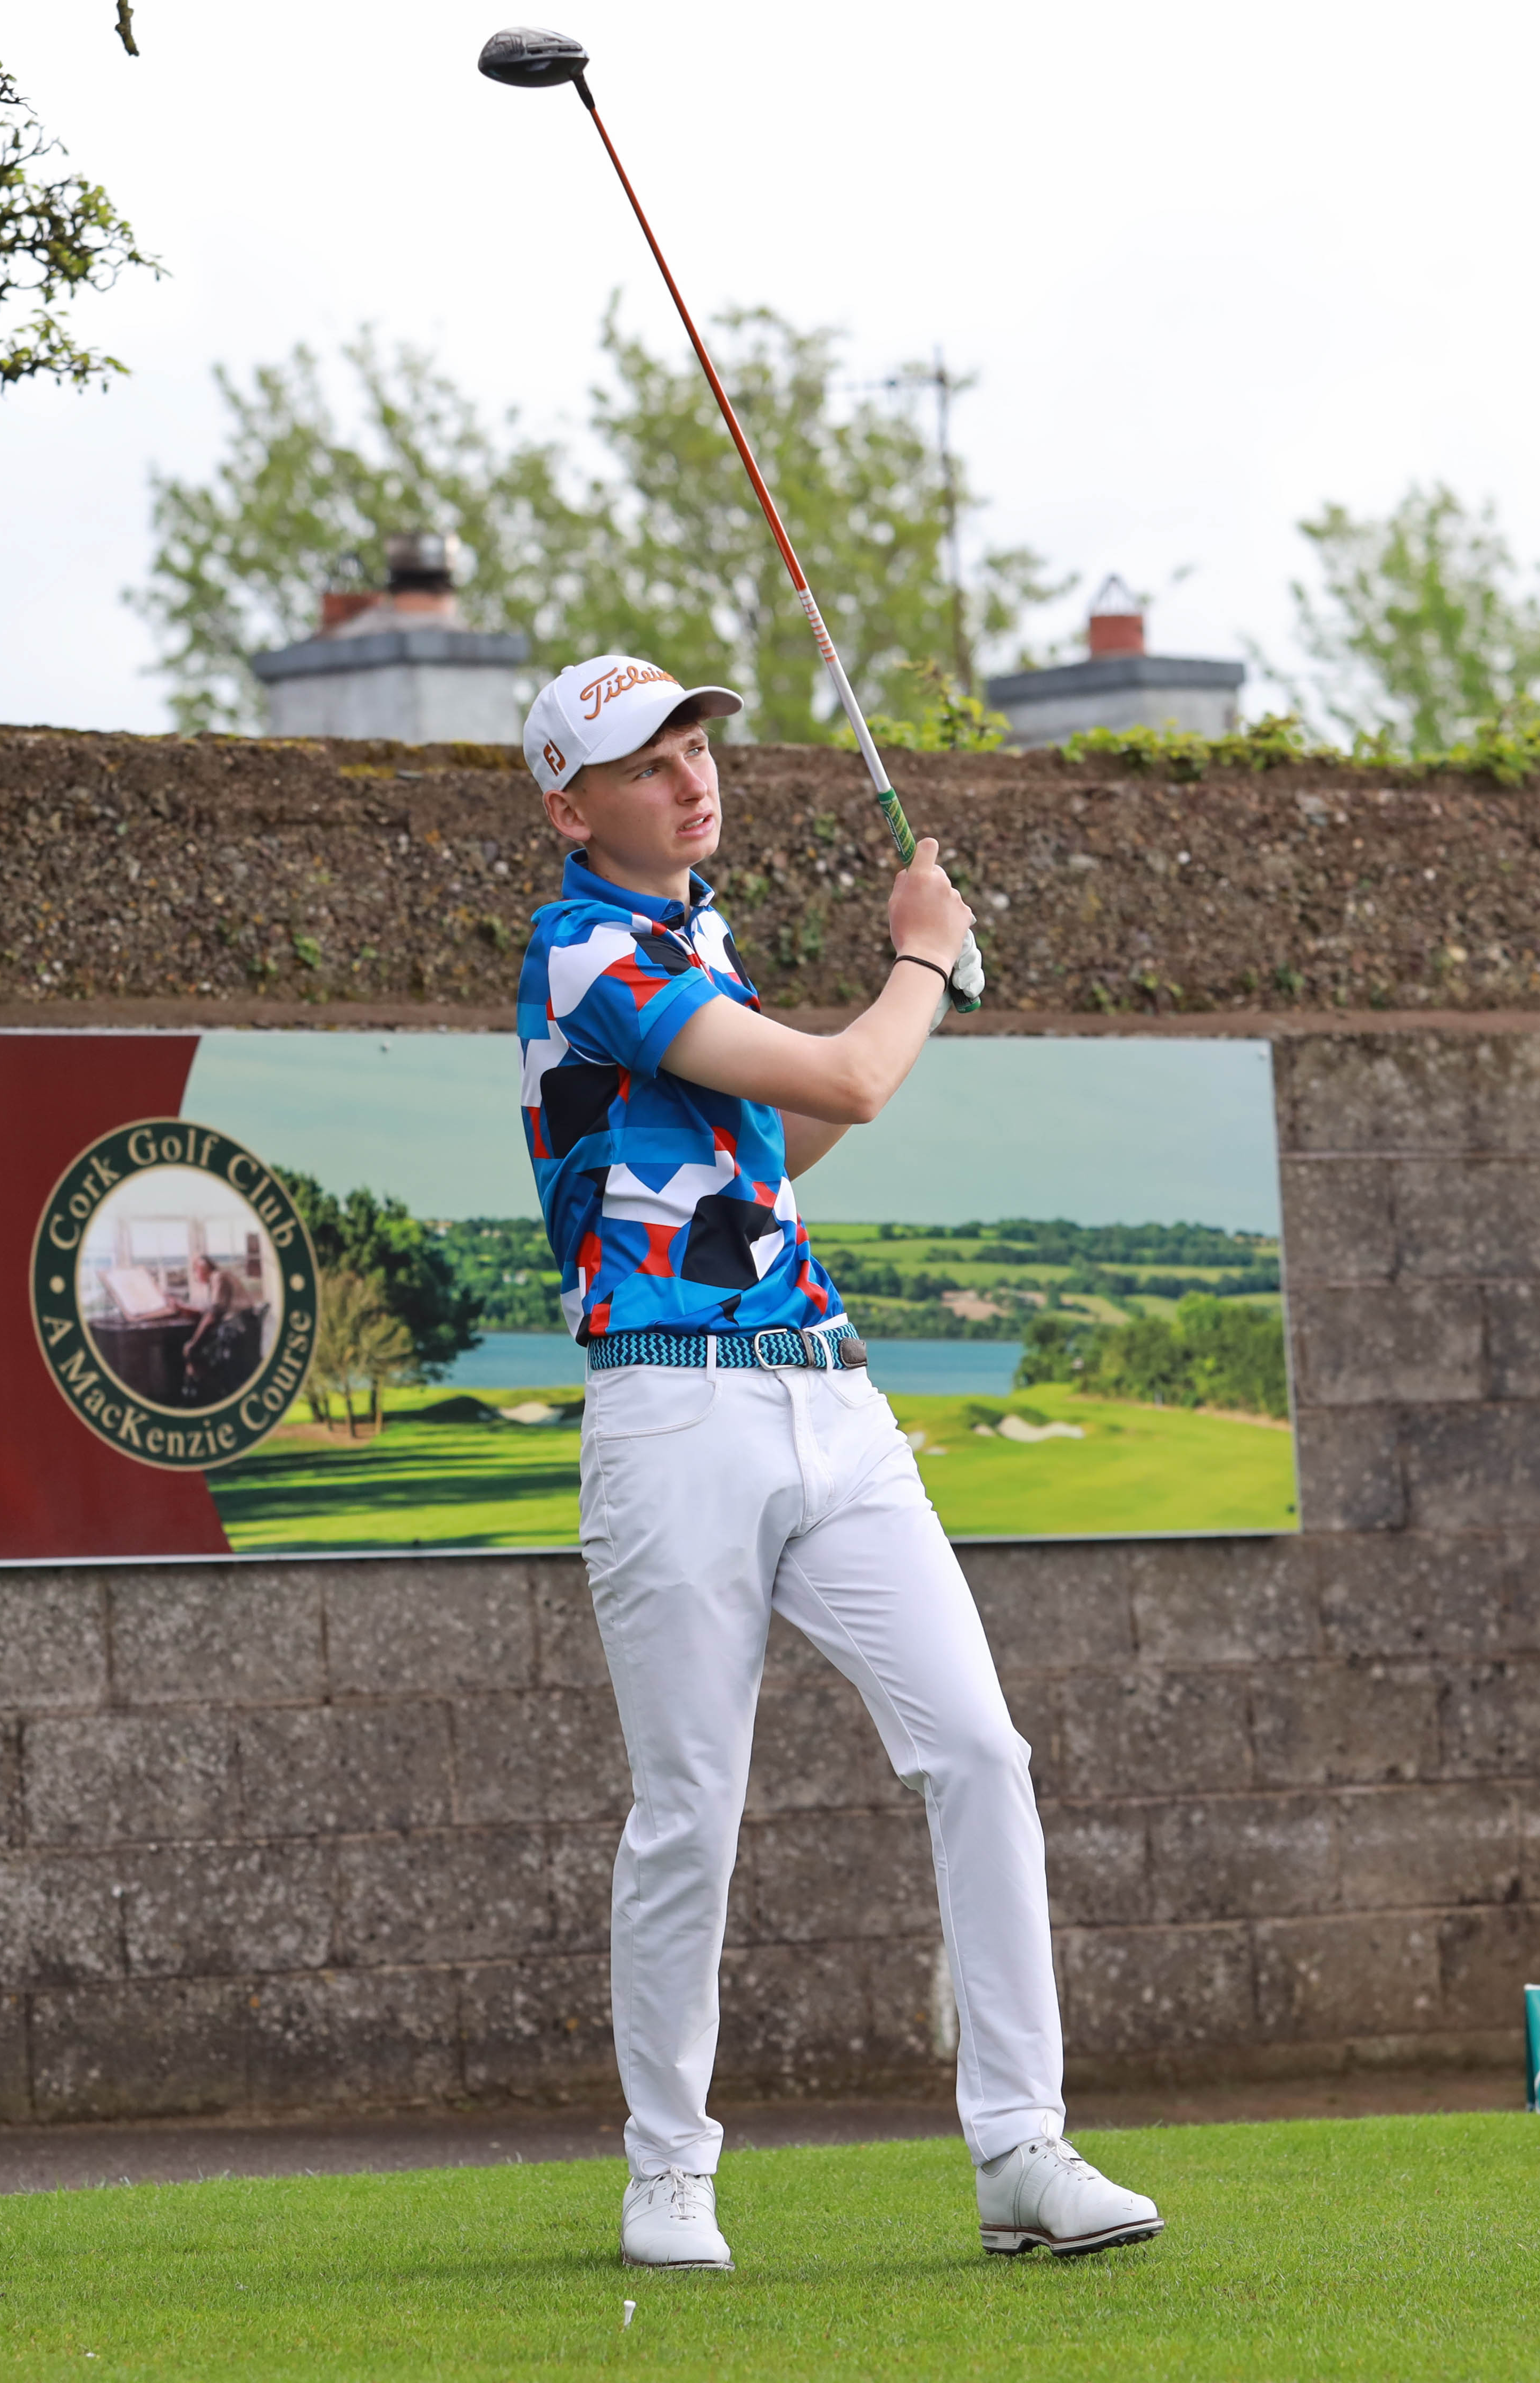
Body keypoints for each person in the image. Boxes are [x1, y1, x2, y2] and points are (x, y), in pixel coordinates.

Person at [513, 653, 1162, 2271]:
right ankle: (669, 2171)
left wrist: (916, 995)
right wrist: (920, 960)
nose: (690, 776)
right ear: (571, 808)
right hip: (671, 1414)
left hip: (828, 1395)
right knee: (692, 1808)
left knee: (981, 1751)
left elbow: (793, 1134)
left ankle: (1020, 2148)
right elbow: (855, 1072)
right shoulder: (584, 948)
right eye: (646, 761)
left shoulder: (696, 938)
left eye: (694, 745)